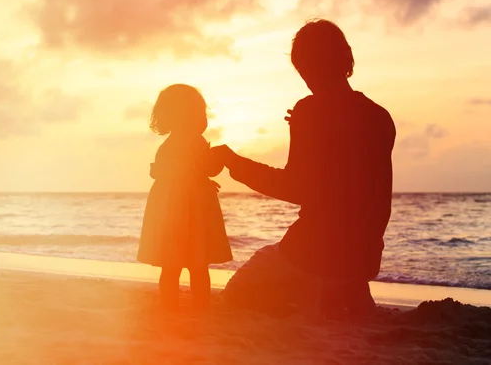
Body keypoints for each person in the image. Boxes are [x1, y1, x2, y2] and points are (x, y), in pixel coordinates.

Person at [212, 19, 396, 319]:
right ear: (346, 58)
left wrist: (234, 163)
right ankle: (346, 288)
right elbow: (365, 188)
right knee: (336, 272)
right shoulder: (379, 116)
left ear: (304, 68)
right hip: (365, 255)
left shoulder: (310, 111)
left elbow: (295, 187)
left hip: (315, 253)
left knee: (235, 296)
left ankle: (317, 292)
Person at [137, 84, 233, 311]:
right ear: (188, 116)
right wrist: (221, 157)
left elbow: (175, 172)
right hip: (190, 212)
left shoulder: (169, 144)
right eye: (201, 113)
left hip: (170, 211)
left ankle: (169, 308)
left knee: (171, 266)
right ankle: (201, 308)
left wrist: (202, 179)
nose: (204, 118)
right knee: (198, 265)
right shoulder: (194, 141)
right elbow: (206, 167)